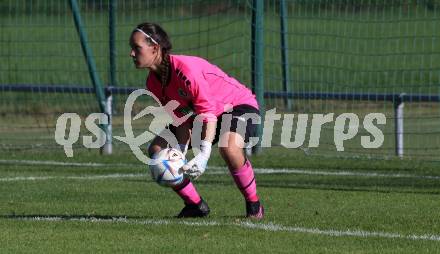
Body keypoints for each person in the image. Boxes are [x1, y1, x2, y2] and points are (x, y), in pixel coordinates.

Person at [129, 22, 264, 219]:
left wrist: (203, 155)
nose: (132, 54)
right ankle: (195, 206)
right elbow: (182, 118)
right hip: (206, 115)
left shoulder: (186, 71)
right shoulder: (153, 82)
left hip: (237, 105)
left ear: (155, 48)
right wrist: (181, 150)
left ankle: (254, 206)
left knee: (229, 147)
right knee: (157, 150)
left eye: (136, 48)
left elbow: (207, 114)